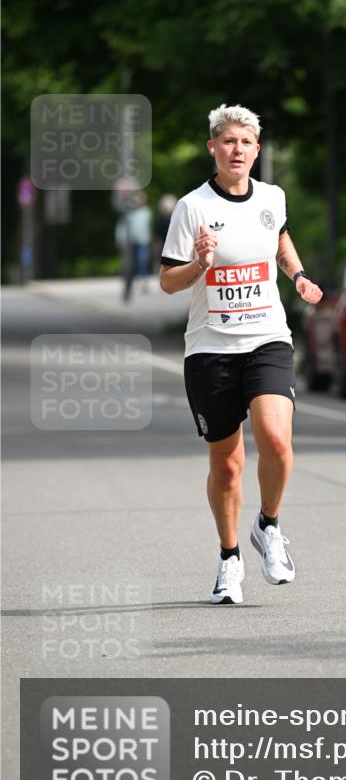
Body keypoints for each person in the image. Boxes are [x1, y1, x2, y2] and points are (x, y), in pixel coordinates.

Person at [159, 104, 322, 605]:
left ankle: (268, 526)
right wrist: (200, 264)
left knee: (275, 437)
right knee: (227, 465)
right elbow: (167, 281)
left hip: (267, 337)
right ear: (213, 147)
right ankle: (229, 559)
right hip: (211, 348)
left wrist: (297, 275)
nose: (238, 151)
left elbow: (280, 238)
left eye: (247, 143)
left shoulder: (272, 196)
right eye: (228, 142)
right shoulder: (192, 207)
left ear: (257, 150)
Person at [116, 191, 153, 301]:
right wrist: (120, 237)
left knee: (143, 260)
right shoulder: (129, 212)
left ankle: (143, 281)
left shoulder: (146, 212)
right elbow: (121, 226)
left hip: (143, 240)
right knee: (131, 263)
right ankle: (131, 282)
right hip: (131, 241)